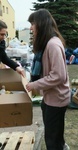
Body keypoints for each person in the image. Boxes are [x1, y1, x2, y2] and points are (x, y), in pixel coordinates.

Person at [26, 9, 70, 150]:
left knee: (52, 140)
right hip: (50, 98)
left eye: (33, 23)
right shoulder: (48, 43)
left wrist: (34, 84)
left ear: (41, 23)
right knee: (54, 136)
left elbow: (58, 75)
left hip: (57, 99)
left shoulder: (52, 45)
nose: (31, 27)